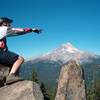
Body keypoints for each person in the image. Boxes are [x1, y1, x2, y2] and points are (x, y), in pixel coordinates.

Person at [0, 17, 42, 84]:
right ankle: (11, 77)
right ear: (4, 23)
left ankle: (14, 78)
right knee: (20, 59)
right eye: (9, 23)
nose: (10, 25)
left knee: (12, 63)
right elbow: (19, 31)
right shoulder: (3, 29)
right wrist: (32, 30)